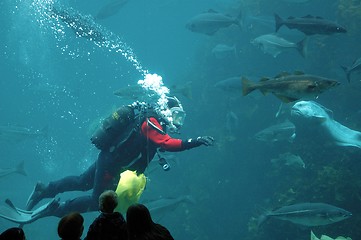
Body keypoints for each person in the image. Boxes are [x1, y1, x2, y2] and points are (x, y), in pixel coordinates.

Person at [26, 96, 214, 219]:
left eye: (181, 117)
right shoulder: (152, 123)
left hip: (108, 159)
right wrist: (195, 141)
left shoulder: (150, 120)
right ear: (167, 111)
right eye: (177, 116)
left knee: (82, 181)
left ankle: (45, 189)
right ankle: (55, 210)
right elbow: (167, 143)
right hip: (111, 166)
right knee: (96, 202)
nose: (178, 121)